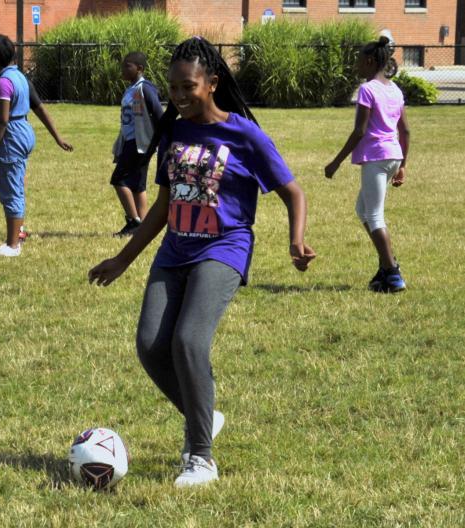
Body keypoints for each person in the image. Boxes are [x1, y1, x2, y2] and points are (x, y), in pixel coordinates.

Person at [89, 37, 315, 487]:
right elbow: (163, 204)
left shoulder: (245, 135)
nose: (178, 96)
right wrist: (123, 258)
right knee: (151, 346)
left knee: (189, 341)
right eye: (173, 87)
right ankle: (204, 416)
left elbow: (293, 192)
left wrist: (296, 240)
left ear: (211, 83)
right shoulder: (174, 131)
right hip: (175, 250)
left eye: (188, 87)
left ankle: (200, 457)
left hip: (223, 248)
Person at [0, 35, 73, 244]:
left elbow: (8, 118)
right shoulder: (1, 82)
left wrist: (57, 137)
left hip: (5, 142)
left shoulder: (8, 82)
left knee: (12, 189)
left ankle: (15, 238)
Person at [325, 35, 409, 293]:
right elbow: (405, 131)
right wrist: (402, 164)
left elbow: (359, 131)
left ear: (371, 61)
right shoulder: (394, 89)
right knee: (363, 210)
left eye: (359, 61)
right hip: (393, 155)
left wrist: (335, 162)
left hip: (377, 157)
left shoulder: (368, 89)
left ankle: (393, 274)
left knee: (374, 216)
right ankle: (386, 267)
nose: (357, 66)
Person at [0, 34, 35, 257]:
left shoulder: (3, 82)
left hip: (11, 135)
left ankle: (13, 245)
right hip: (23, 130)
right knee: (16, 187)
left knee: (10, 190)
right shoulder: (18, 75)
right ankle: (16, 237)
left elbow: (2, 120)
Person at [110, 51, 163, 237]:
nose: (123, 69)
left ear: (139, 68)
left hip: (140, 143)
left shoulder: (145, 88)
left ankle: (133, 221)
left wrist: (159, 142)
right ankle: (145, 229)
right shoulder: (130, 89)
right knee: (138, 186)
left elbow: (159, 115)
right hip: (129, 142)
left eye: (128, 66)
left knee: (118, 180)